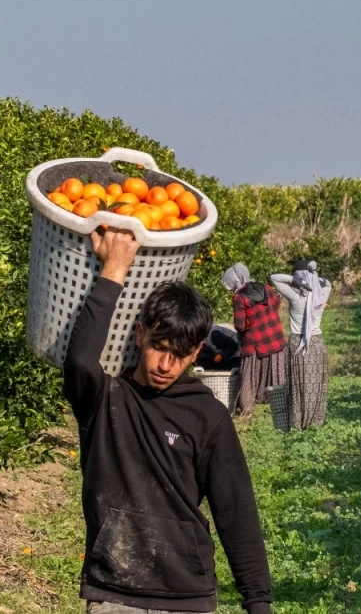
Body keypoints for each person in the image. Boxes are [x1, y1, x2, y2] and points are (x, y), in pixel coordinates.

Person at [65, 230, 273, 614]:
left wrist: (258, 602)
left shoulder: (206, 415)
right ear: (140, 334)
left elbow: (236, 511)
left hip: (187, 596)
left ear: (196, 352)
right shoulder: (105, 399)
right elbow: (79, 359)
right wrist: (114, 268)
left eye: (179, 354)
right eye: (159, 347)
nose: (166, 364)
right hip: (114, 593)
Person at [270, 261, 331, 430]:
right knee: (316, 384)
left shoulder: (296, 296)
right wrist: (317, 279)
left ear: (298, 278)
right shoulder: (321, 296)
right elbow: (328, 284)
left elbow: (274, 278)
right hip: (316, 343)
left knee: (298, 385)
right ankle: (315, 421)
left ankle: (299, 421)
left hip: (299, 343)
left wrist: (294, 280)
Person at [221, 263, 287, 417]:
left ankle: (246, 410)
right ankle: (280, 407)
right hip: (275, 338)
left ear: (235, 280)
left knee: (249, 378)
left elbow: (240, 325)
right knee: (277, 374)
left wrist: (250, 325)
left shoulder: (239, 298)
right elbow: (277, 302)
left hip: (255, 344)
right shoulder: (265, 288)